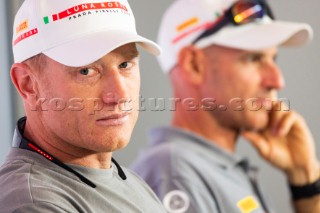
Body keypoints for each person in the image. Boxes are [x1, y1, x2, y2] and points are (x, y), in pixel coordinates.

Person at [131, 0, 320, 212]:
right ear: (193, 65)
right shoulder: (176, 173)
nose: (277, 80)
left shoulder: (208, 169)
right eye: (253, 58)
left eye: (273, 59)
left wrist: (305, 180)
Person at [0, 0, 167, 212]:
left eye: (125, 65)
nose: (120, 95)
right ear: (28, 84)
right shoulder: (33, 203)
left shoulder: (128, 181)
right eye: (86, 71)